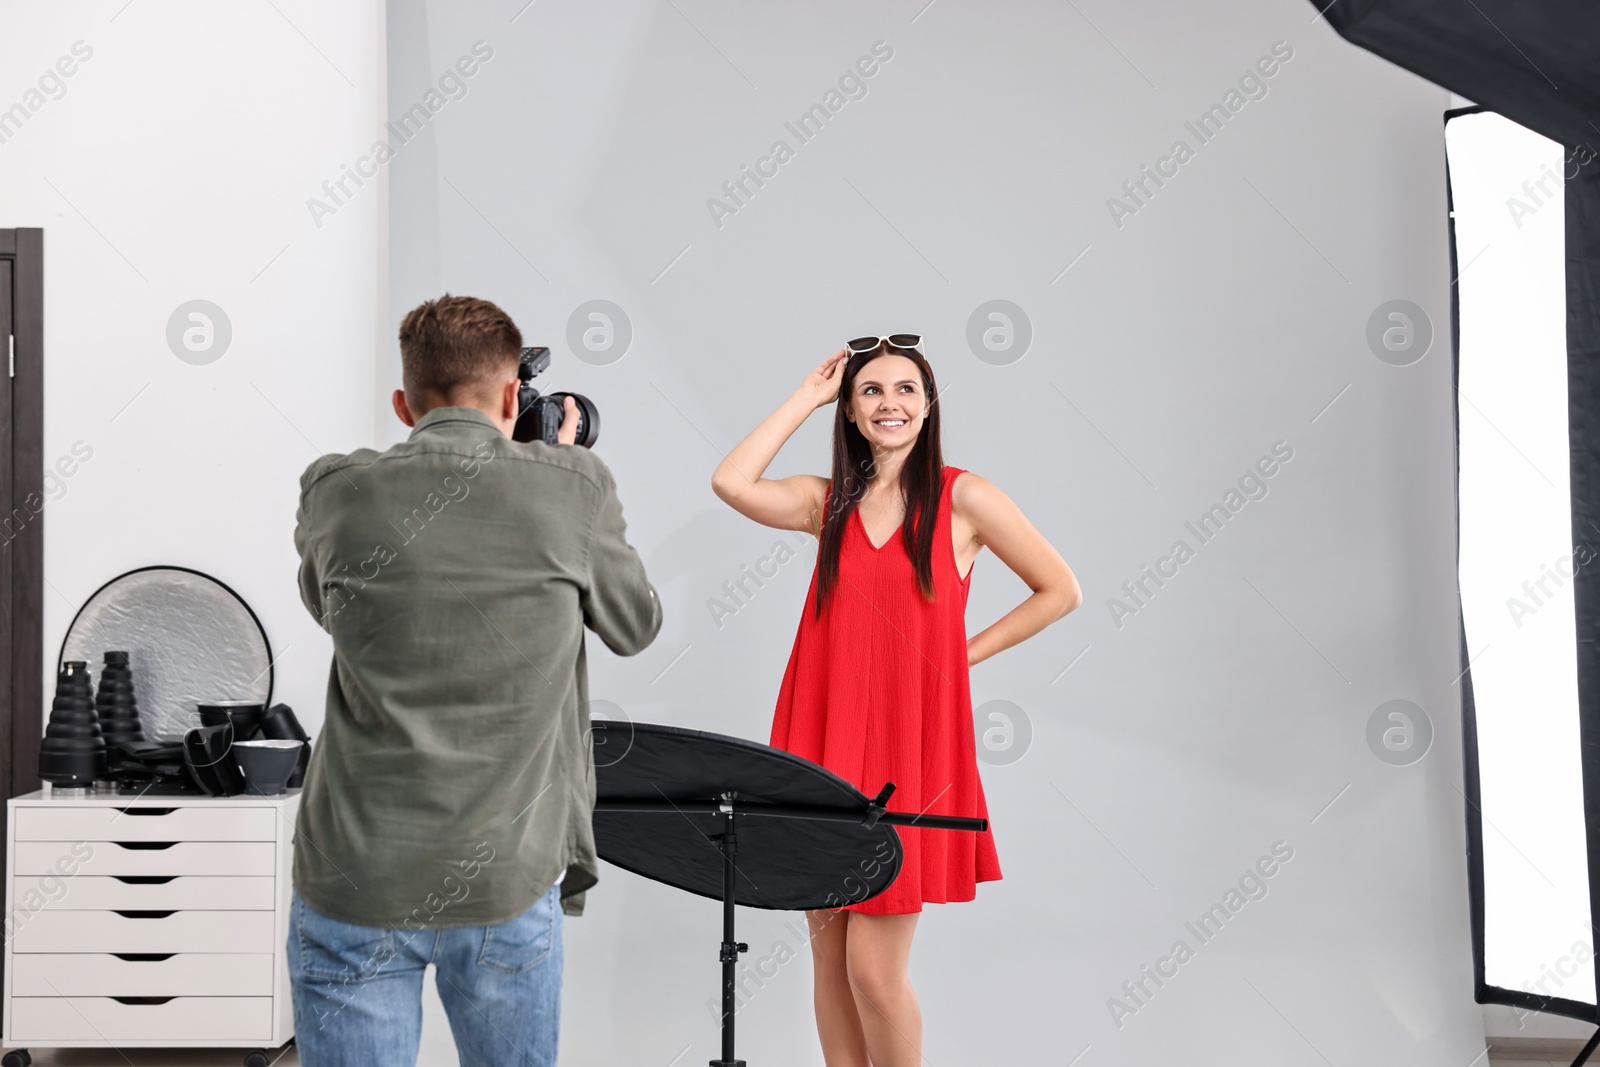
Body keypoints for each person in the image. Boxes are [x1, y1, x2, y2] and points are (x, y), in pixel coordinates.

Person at [288, 294, 662, 1067]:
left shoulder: (334, 491)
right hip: (503, 872)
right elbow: (636, 624)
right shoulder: (573, 487)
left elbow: (331, 607)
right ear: (509, 396)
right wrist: (558, 462)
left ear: (403, 404)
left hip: (356, 871)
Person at [710, 337, 1081, 1066]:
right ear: (849, 409)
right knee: (828, 963)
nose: (891, 403)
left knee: (874, 972)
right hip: (822, 737)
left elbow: (1060, 589)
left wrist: (957, 658)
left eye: (906, 389)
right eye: (871, 391)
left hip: (906, 749)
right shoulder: (828, 502)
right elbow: (732, 480)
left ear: (929, 404)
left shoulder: (964, 496)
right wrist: (805, 395)